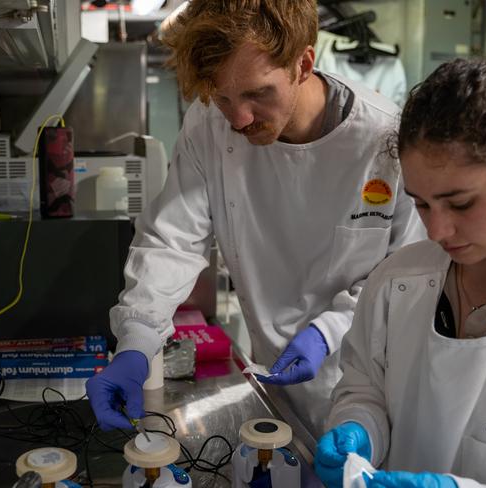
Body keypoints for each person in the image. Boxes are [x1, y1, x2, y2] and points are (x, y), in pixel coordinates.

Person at [85, 0, 424, 438]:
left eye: (257, 94)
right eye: (222, 97)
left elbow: (405, 275)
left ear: (304, 63)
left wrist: (328, 331)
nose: (239, 119)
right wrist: (136, 339)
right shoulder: (209, 125)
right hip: (273, 383)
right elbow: (170, 240)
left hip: (370, 391)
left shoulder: (385, 141)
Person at [315, 56, 486, 487]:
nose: (437, 230)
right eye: (421, 203)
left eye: (461, 203)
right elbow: (365, 389)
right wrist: (359, 429)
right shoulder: (397, 282)